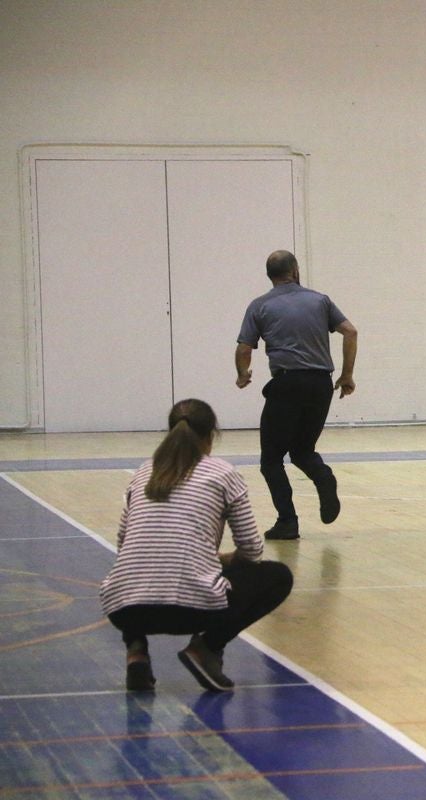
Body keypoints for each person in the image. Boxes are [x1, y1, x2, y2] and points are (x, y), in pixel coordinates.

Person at [99, 399, 294, 692]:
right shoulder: (222, 473)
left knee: (137, 568)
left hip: (123, 608)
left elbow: (124, 543)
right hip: (194, 610)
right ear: (210, 436)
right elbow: (252, 550)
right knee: (278, 576)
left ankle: (136, 653)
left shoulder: (143, 473)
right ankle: (205, 649)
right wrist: (220, 561)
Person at [235, 250, 358, 540]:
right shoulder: (320, 300)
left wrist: (243, 374)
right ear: (295, 270)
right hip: (320, 384)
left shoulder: (259, 306)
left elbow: (244, 347)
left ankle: (287, 522)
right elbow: (350, 332)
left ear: (269, 275)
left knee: (271, 459)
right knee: (302, 450)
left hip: (287, 384)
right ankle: (323, 478)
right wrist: (347, 374)